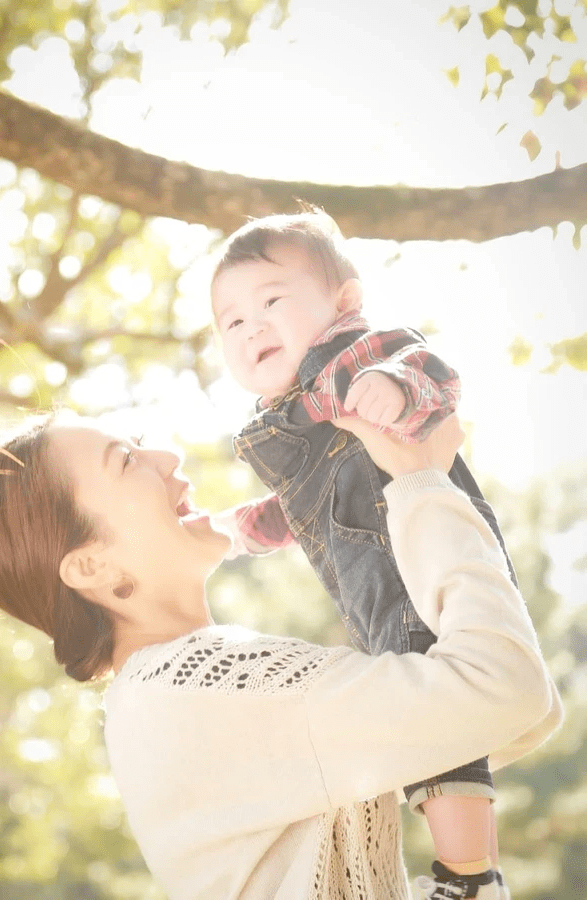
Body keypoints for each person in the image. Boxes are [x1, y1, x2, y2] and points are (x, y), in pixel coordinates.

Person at [0, 408, 562, 900]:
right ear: (92, 565)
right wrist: (423, 480)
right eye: (128, 460)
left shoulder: (161, 699)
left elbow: (482, 727)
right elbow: (506, 690)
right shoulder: (205, 689)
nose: (168, 458)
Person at [210, 209, 520, 897]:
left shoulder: (357, 360)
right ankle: (477, 873)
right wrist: (232, 531)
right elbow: (302, 508)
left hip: (424, 561)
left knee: (440, 725)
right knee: (440, 727)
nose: (250, 326)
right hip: (375, 593)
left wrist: (398, 385)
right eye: (230, 321)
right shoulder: (289, 425)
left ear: (343, 302)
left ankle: (470, 876)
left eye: (270, 300)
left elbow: (434, 375)